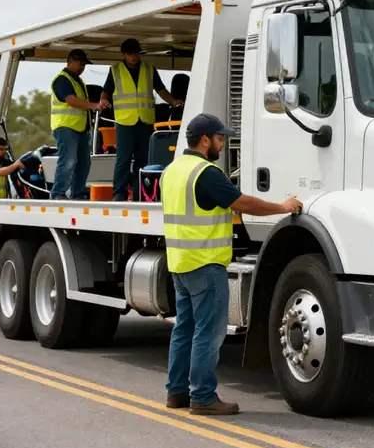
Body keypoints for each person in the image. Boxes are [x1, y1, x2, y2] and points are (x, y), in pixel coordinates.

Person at [162, 113, 302, 416]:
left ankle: (176, 392)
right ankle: (202, 396)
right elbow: (243, 203)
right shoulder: (206, 173)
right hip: (205, 263)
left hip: (180, 263)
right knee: (209, 332)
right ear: (204, 140)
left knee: (184, 329)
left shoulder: (172, 171)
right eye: (220, 138)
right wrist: (282, 207)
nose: (223, 144)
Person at [100, 38, 184, 201]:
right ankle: (119, 193)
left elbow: (160, 89)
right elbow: (106, 91)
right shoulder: (115, 71)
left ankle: (141, 193)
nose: (134, 57)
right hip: (125, 121)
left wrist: (173, 101)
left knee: (143, 159)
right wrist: (103, 101)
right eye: (130, 54)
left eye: (136, 54)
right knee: (123, 159)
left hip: (145, 121)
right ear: (124, 55)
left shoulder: (149, 69)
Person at [50, 49, 101, 200]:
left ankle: (77, 193)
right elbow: (70, 100)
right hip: (66, 127)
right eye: (80, 64)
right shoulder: (62, 80)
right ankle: (58, 193)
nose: (82, 68)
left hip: (80, 128)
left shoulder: (78, 81)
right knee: (68, 161)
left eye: (84, 65)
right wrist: (93, 106)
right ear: (70, 61)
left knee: (84, 163)